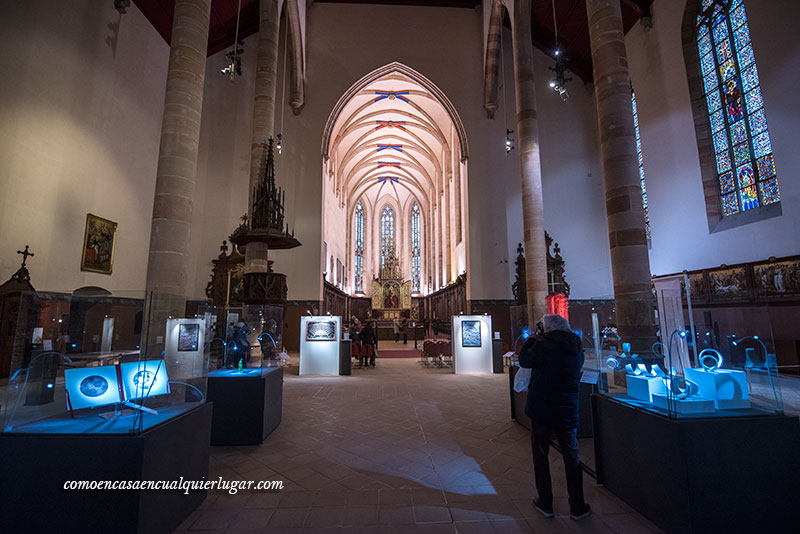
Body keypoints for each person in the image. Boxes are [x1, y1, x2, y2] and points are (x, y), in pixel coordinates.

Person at [518, 314, 591, 521]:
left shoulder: (543, 345)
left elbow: (524, 360)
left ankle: (545, 502)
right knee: (572, 456)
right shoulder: (576, 346)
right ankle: (578, 506)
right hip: (567, 408)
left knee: (541, 456)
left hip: (542, 408)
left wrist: (532, 339)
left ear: (547, 328)